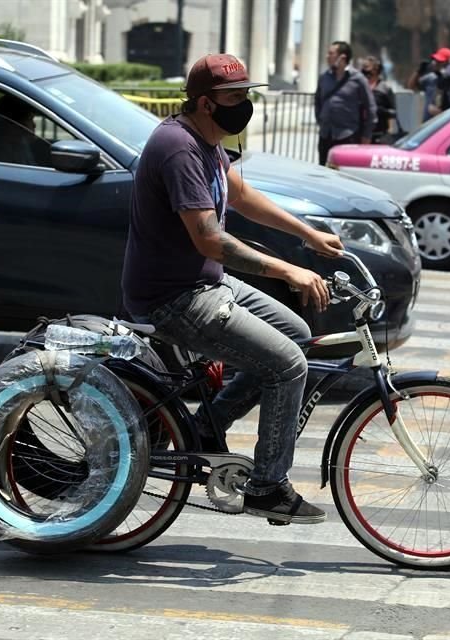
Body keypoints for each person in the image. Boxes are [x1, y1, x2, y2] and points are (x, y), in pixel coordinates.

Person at [121, 53, 345, 524]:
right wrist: (288, 270)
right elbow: (209, 238)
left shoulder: (207, 140)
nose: (244, 104)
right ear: (205, 103)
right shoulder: (179, 146)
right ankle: (268, 486)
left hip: (207, 284)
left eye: (247, 94)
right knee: (287, 366)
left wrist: (308, 234)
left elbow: (240, 195)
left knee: (297, 333)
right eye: (234, 97)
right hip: (176, 298)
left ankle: (205, 427)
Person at [314, 41, 376, 165]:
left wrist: (366, 136)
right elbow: (318, 101)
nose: (327, 57)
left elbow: (371, 108)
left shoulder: (358, 79)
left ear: (342, 57)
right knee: (322, 171)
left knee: (342, 174)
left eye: (331, 54)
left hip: (347, 136)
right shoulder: (324, 77)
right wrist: (320, 120)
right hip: (326, 134)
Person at [407, 47, 450, 122]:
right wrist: (418, 71)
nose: (436, 63)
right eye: (435, 60)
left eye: (440, 62)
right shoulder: (431, 78)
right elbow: (411, 86)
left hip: (445, 124)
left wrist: (440, 113)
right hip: (428, 124)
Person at [361, 55, 398, 143]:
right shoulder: (359, 87)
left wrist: (381, 111)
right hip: (362, 133)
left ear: (375, 70)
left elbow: (393, 112)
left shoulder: (385, 88)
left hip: (379, 133)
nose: (364, 71)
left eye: (367, 67)